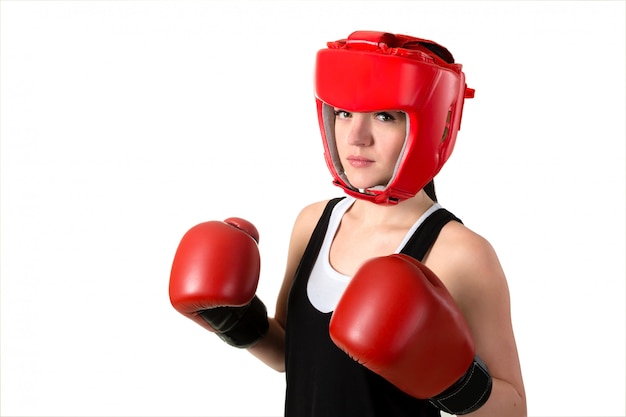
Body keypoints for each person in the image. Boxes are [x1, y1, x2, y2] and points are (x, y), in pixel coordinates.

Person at [169, 30, 527, 416]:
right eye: (344, 113)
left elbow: (514, 408)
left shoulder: (460, 253)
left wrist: (454, 381)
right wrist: (234, 320)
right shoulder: (313, 222)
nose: (356, 137)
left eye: (385, 116)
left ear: (437, 125)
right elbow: (289, 355)